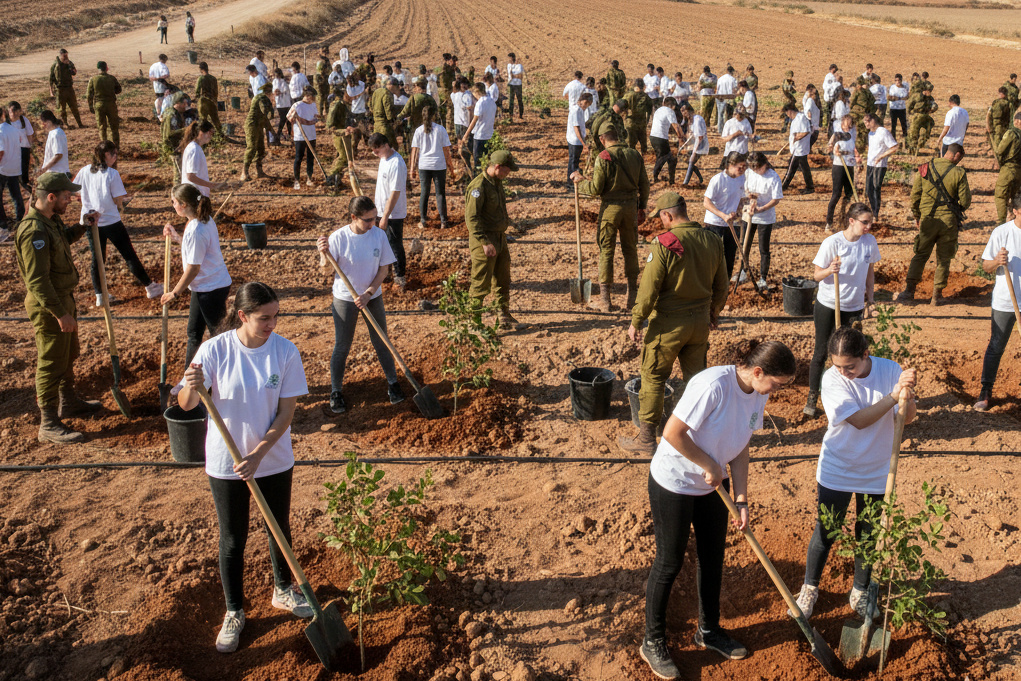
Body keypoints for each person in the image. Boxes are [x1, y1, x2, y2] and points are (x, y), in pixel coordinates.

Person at [639, 340, 796, 679]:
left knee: (712, 558)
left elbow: (741, 447)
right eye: (777, 384)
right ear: (758, 371)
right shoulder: (712, 386)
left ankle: (708, 630)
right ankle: (652, 641)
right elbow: (672, 433)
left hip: (714, 485)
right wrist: (708, 463)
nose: (777, 391)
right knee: (669, 562)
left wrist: (741, 498)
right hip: (675, 481)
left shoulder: (758, 392)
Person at [175, 281, 313, 654]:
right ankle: (234, 611)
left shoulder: (285, 352)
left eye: (275, 316)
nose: (272, 324)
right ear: (242, 316)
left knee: (278, 527)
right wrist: (191, 385)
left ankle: (283, 590)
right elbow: (187, 404)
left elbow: (285, 414)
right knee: (233, 538)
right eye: (264, 318)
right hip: (227, 463)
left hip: (273, 459)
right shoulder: (214, 350)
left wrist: (258, 454)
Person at [791, 326, 917, 623]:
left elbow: (907, 419)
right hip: (839, 466)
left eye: (850, 366)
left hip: (877, 469)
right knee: (826, 530)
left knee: (868, 533)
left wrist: (907, 398)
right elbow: (859, 421)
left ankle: (860, 590)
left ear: (865, 354)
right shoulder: (831, 378)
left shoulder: (890, 370)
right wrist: (893, 396)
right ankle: (809, 588)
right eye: (838, 366)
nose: (844, 372)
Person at [619, 192, 728, 454]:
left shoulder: (665, 243)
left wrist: (637, 320)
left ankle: (646, 440)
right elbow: (722, 285)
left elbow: (649, 288)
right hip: (699, 324)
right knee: (697, 381)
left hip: (668, 325)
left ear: (668, 215)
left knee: (653, 376)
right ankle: (697, 437)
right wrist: (714, 312)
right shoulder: (713, 240)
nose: (661, 223)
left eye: (661, 218)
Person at [15, 172, 102, 443]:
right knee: (51, 362)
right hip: (49, 306)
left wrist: (82, 226)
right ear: (51, 197)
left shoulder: (50, 220)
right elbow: (37, 281)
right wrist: (60, 313)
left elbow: (61, 239)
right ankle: (49, 423)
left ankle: (69, 402)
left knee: (68, 354)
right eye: (66, 196)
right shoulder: (34, 231)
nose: (70, 200)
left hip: (63, 298)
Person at [316, 196, 405, 414]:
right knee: (342, 345)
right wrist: (323, 255)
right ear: (353, 217)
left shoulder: (378, 235)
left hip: (372, 297)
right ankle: (336, 391)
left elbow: (383, 270)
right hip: (345, 299)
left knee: (382, 340)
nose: (372, 224)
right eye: (367, 220)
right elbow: (326, 271)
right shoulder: (338, 238)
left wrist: (368, 293)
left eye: (374, 218)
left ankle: (393, 383)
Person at [804, 203, 879, 417]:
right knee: (822, 351)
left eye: (870, 222)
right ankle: (813, 397)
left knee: (851, 354)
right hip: (829, 304)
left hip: (854, 307)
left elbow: (870, 274)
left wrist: (870, 300)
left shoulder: (870, 242)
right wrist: (830, 270)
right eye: (865, 222)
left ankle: (850, 396)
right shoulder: (833, 243)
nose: (869, 227)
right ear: (852, 221)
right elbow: (816, 276)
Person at [572, 122, 650, 312]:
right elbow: (645, 185)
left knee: (607, 251)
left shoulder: (604, 157)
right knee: (630, 249)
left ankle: (605, 301)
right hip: (631, 208)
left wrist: (580, 182)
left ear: (602, 139)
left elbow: (596, 188)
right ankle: (632, 298)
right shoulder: (634, 154)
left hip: (610, 209)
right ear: (617, 135)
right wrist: (642, 207)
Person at [74, 140, 162, 306]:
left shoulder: (85, 170)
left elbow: (75, 190)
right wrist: (121, 203)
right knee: (128, 254)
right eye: (114, 154)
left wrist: (88, 199)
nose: (116, 157)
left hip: (90, 221)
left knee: (97, 259)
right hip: (111, 221)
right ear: (106, 155)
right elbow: (117, 200)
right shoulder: (112, 174)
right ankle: (150, 287)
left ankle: (100, 295)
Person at [161, 183, 232, 366]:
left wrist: (175, 293)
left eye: (174, 202)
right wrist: (176, 237)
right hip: (205, 286)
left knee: (219, 336)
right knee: (194, 333)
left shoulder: (197, 229)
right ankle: (189, 375)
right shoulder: (202, 221)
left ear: (183, 204)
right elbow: (196, 249)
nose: (173, 205)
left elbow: (193, 268)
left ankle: (228, 371)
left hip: (211, 288)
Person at [896, 143, 971, 306]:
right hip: (948, 222)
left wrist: (917, 215)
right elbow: (965, 201)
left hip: (927, 220)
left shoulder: (925, 168)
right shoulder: (959, 173)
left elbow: (915, 197)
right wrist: (955, 209)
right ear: (957, 155)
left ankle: (909, 291)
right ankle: (936, 296)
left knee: (921, 254)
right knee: (944, 259)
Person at [975, 194, 1021, 411]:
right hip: (1005, 302)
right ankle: (985, 391)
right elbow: (986, 266)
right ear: (1016, 211)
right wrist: (997, 261)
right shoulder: (1001, 233)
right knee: (996, 346)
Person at [464, 150, 520, 327]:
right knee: (481, 282)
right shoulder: (478, 187)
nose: (508, 174)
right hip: (485, 240)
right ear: (497, 167)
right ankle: (474, 322)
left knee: (503, 279)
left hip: (500, 238)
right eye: (506, 170)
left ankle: (503, 316)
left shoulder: (496, 182)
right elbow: (472, 218)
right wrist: (485, 242)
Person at [361, 133, 408, 290]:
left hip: (393, 213)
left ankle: (400, 276)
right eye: (372, 150)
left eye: (377, 149)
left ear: (386, 145)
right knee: (382, 243)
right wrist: (360, 170)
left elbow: (395, 193)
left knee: (394, 244)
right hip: (380, 210)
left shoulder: (397, 163)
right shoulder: (383, 159)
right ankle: (384, 272)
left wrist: (385, 217)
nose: (374, 153)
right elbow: (381, 178)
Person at [741, 152, 783, 288]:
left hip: (765, 217)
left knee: (763, 248)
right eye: (753, 168)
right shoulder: (749, 172)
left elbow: (776, 199)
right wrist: (749, 197)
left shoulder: (773, 177)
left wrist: (762, 208)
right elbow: (744, 188)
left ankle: (763, 278)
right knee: (744, 244)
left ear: (765, 164)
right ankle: (743, 271)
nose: (756, 171)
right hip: (749, 214)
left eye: (758, 168)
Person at [411, 103, 456, 228]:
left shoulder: (418, 130)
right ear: (434, 115)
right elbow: (446, 151)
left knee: (424, 193)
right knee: (440, 193)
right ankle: (443, 221)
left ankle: (423, 220)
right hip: (439, 165)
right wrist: (451, 168)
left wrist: (412, 169)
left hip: (424, 165)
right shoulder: (440, 129)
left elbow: (415, 151)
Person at [703, 151, 748, 278]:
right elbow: (706, 202)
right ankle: (710, 282)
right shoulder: (717, 179)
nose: (743, 170)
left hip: (732, 224)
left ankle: (726, 282)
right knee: (713, 256)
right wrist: (723, 215)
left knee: (730, 256)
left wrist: (738, 212)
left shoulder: (742, 179)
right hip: (714, 223)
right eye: (740, 167)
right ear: (731, 165)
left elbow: (741, 199)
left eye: (744, 166)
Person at [862, 113, 899, 219]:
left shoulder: (883, 132)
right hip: (870, 164)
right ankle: (871, 211)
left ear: (874, 120)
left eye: (868, 121)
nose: (866, 124)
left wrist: (881, 156)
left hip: (879, 165)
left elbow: (895, 147)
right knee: (869, 189)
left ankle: (875, 214)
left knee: (875, 188)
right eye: (865, 122)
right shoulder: (870, 133)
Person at [826, 115, 859, 231]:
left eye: (850, 124)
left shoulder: (852, 135)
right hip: (839, 166)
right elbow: (829, 148)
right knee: (836, 194)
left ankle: (843, 216)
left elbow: (855, 150)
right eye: (846, 124)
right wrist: (834, 150)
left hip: (850, 166)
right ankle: (829, 223)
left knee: (849, 193)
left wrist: (858, 160)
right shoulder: (837, 135)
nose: (848, 126)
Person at [241, 83, 275, 183]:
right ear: (269, 92)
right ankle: (244, 172)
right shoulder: (261, 98)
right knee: (252, 147)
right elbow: (264, 112)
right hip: (252, 125)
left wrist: (272, 131)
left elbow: (265, 118)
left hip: (259, 125)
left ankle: (259, 171)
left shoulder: (266, 99)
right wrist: (270, 112)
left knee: (261, 149)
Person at [181, 121, 224, 197]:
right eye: (211, 132)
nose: (211, 136)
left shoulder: (194, 147)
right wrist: (212, 185)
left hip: (194, 193)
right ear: (201, 133)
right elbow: (191, 177)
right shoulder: (194, 149)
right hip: (194, 194)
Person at [286, 87, 318, 189]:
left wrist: (309, 121)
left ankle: (309, 178)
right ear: (305, 96)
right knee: (298, 158)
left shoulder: (313, 105)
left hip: (311, 135)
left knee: (310, 157)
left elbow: (316, 117)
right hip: (300, 136)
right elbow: (289, 118)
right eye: (309, 96)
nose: (310, 99)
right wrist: (294, 117)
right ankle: (297, 180)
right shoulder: (297, 105)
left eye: (312, 97)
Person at [0, 110, 27, 231]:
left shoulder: (0, 131)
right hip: (14, 167)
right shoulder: (14, 130)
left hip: (2, 168)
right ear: (3, 115)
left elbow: (1, 152)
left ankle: (3, 224)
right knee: (16, 195)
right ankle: (21, 220)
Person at [462, 83, 497, 174]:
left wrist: (465, 135)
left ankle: (478, 177)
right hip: (489, 134)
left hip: (480, 135)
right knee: (487, 160)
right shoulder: (491, 101)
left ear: (476, 92)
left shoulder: (480, 103)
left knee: (478, 161)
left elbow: (474, 120)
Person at [993, 112, 1021, 225]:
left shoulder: (1011, 133)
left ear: (1017, 121)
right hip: (1019, 171)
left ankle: (1001, 223)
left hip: (1008, 169)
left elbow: (1000, 150)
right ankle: (1014, 219)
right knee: (1014, 196)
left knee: (1000, 196)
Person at [781, 104, 814, 195]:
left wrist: (796, 138)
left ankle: (783, 187)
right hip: (798, 148)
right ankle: (810, 187)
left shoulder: (801, 118)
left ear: (790, 111)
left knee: (791, 168)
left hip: (800, 148)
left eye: (787, 113)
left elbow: (806, 131)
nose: (788, 115)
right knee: (804, 168)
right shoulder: (796, 119)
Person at [325, 85, 354, 189]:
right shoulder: (336, 105)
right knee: (343, 156)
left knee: (346, 157)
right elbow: (329, 127)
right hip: (339, 135)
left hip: (345, 134)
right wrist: (343, 131)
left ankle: (337, 178)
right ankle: (331, 177)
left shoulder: (343, 104)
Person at [86, 61, 121, 147]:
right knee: (114, 127)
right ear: (106, 68)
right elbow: (118, 90)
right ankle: (116, 147)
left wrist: (91, 106)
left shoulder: (93, 79)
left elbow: (89, 95)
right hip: (111, 104)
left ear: (98, 69)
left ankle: (104, 147)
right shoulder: (112, 78)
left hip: (99, 105)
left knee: (102, 127)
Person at [650, 98, 682, 185]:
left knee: (663, 157)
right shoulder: (670, 111)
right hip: (661, 138)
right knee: (669, 159)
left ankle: (658, 177)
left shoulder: (659, 110)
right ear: (673, 106)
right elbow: (676, 126)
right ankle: (660, 178)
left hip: (653, 137)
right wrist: (681, 138)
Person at [50, 49, 83, 129]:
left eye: (67, 55)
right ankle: (65, 124)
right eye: (64, 55)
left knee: (74, 107)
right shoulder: (55, 64)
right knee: (62, 109)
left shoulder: (69, 63)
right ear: (61, 55)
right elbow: (51, 78)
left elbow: (74, 73)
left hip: (69, 88)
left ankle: (80, 124)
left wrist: (70, 66)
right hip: (60, 90)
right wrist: (51, 90)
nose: (66, 57)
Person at [7, 101, 34, 190]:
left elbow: (29, 134)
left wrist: (31, 147)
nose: (14, 114)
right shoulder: (6, 123)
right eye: (12, 111)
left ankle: (25, 184)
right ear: (8, 111)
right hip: (11, 149)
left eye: (16, 111)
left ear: (20, 111)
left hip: (24, 148)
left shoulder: (24, 120)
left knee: (24, 168)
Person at [161, 92, 188, 185]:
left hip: (176, 146)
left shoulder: (174, 113)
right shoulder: (172, 115)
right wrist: (186, 130)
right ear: (177, 103)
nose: (185, 106)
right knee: (179, 175)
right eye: (184, 104)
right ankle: (177, 191)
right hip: (173, 147)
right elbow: (170, 134)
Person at [679, 103, 708, 187]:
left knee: (691, 161)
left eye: (684, 111)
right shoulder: (691, 120)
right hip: (694, 143)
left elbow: (700, 137)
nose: (684, 114)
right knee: (687, 160)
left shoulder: (697, 120)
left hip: (700, 144)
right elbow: (689, 134)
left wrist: (694, 151)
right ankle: (700, 178)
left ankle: (685, 183)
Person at [566, 92, 591, 185]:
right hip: (575, 141)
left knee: (575, 161)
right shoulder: (576, 110)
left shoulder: (580, 110)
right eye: (587, 104)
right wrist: (584, 143)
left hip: (577, 140)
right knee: (573, 162)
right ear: (584, 101)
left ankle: (573, 181)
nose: (586, 107)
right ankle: (570, 183)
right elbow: (576, 128)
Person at [451, 78, 475, 171]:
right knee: (461, 144)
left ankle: (467, 167)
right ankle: (465, 166)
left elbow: (470, 110)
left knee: (464, 146)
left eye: (465, 84)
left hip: (464, 123)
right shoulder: (456, 94)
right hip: (459, 123)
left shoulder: (467, 95)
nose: (464, 86)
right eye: (462, 84)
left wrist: (470, 124)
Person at [623, 79, 653, 155]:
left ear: (635, 85)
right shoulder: (646, 96)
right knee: (643, 144)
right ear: (643, 86)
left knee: (630, 145)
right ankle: (644, 158)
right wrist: (647, 121)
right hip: (642, 123)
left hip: (630, 123)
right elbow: (649, 110)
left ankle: (632, 159)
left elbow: (621, 106)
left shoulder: (628, 95)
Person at [370, 77, 399, 150]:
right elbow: (388, 110)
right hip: (384, 125)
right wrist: (393, 120)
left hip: (376, 124)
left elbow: (371, 105)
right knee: (391, 145)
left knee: (378, 145)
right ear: (391, 85)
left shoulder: (377, 91)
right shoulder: (387, 94)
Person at [906, 84, 936, 156]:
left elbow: (934, 106)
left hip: (926, 116)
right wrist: (908, 114)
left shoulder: (930, 98)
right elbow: (909, 105)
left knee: (926, 133)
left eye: (930, 91)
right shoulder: (916, 96)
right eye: (928, 90)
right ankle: (912, 151)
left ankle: (919, 147)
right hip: (916, 116)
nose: (929, 92)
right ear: (924, 90)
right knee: (913, 134)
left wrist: (933, 109)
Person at [39, 110, 70, 177]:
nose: (43, 126)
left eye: (44, 123)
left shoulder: (56, 134)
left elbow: (58, 155)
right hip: (53, 173)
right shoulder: (52, 133)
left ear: (48, 122)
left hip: (58, 173)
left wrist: (45, 168)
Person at [195, 62, 223, 135]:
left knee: (202, 120)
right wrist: (215, 100)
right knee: (215, 119)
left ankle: (202, 135)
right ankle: (220, 134)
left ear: (200, 69)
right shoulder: (213, 79)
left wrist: (197, 99)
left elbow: (197, 91)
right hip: (212, 101)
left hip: (204, 102)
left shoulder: (201, 78)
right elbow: (216, 92)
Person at [849, 77, 875, 154]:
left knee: (857, 132)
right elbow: (873, 102)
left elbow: (851, 102)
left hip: (856, 115)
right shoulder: (868, 92)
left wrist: (849, 110)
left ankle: (858, 149)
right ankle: (863, 148)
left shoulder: (857, 91)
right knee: (864, 132)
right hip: (865, 115)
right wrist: (870, 112)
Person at [271, 67, 292, 144]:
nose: (276, 77)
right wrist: (275, 92)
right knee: (283, 119)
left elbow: (285, 89)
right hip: (279, 104)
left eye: (277, 75)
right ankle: (279, 134)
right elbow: (274, 90)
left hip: (286, 103)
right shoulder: (274, 81)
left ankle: (287, 134)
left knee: (287, 119)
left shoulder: (284, 82)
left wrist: (278, 92)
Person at [714, 65, 738, 134]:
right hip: (729, 98)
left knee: (720, 114)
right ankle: (727, 129)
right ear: (732, 72)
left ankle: (720, 130)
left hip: (720, 97)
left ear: (726, 71)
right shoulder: (733, 79)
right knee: (729, 115)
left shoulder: (720, 78)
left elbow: (717, 89)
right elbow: (735, 89)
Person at [887, 74, 909, 141]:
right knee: (893, 125)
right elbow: (890, 97)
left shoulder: (904, 88)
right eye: (896, 80)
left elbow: (907, 97)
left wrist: (898, 98)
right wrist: (898, 98)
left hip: (902, 108)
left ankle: (905, 138)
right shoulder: (892, 87)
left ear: (901, 80)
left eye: (899, 80)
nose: (897, 82)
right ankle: (893, 138)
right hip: (893, 108)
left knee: (904, 124)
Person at [506, 53, 524, 121]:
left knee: (519, 99)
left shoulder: (519, 66)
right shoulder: (509, 65)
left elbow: (520, 76)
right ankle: (510, 115)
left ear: (513, 58)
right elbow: (510, 74)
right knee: (511, 100)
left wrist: (513, 75)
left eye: (510, 58)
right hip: (512, 84)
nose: (509, 60)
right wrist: (515, 75)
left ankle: (521, 114)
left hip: (518, 84)